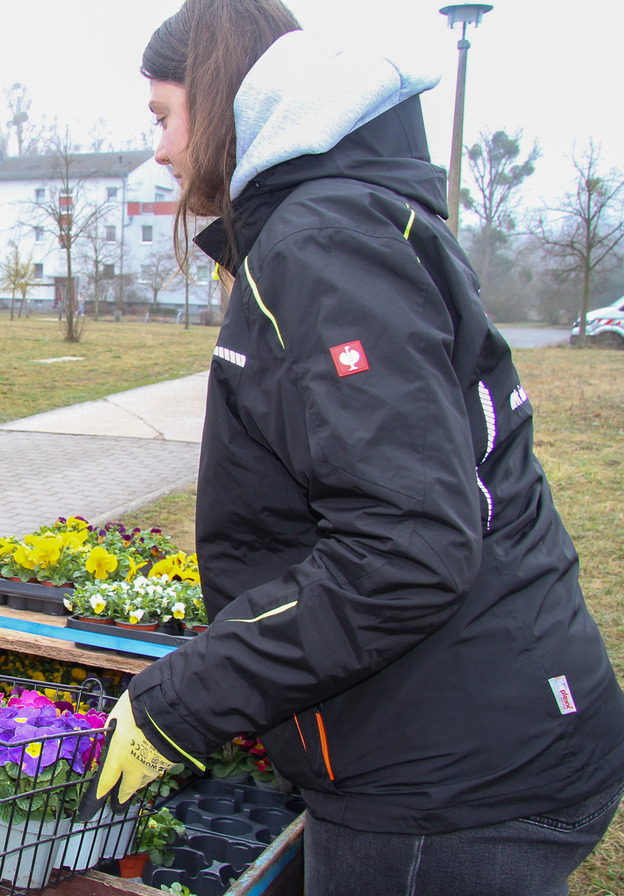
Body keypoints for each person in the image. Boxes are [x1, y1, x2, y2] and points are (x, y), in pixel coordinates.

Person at [84, 2, 624, 894]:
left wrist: (186, 696)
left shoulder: (323, 244)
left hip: (447, 782)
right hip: (477, 732)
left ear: (217, 103)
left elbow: (407, 548)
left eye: (164, 116)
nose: (161, 149)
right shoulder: (347, 220)